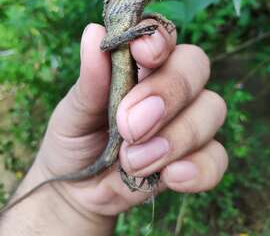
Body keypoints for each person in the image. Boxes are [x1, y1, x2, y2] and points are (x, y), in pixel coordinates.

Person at [0, 21, 228, 235]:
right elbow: (106, 43)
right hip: (116, 131)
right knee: (130, 145)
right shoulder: (120, 14)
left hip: (119, 131)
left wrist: (69, 202)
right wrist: (135, 33)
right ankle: (139, 174)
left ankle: (139, 172)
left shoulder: (131, 16)